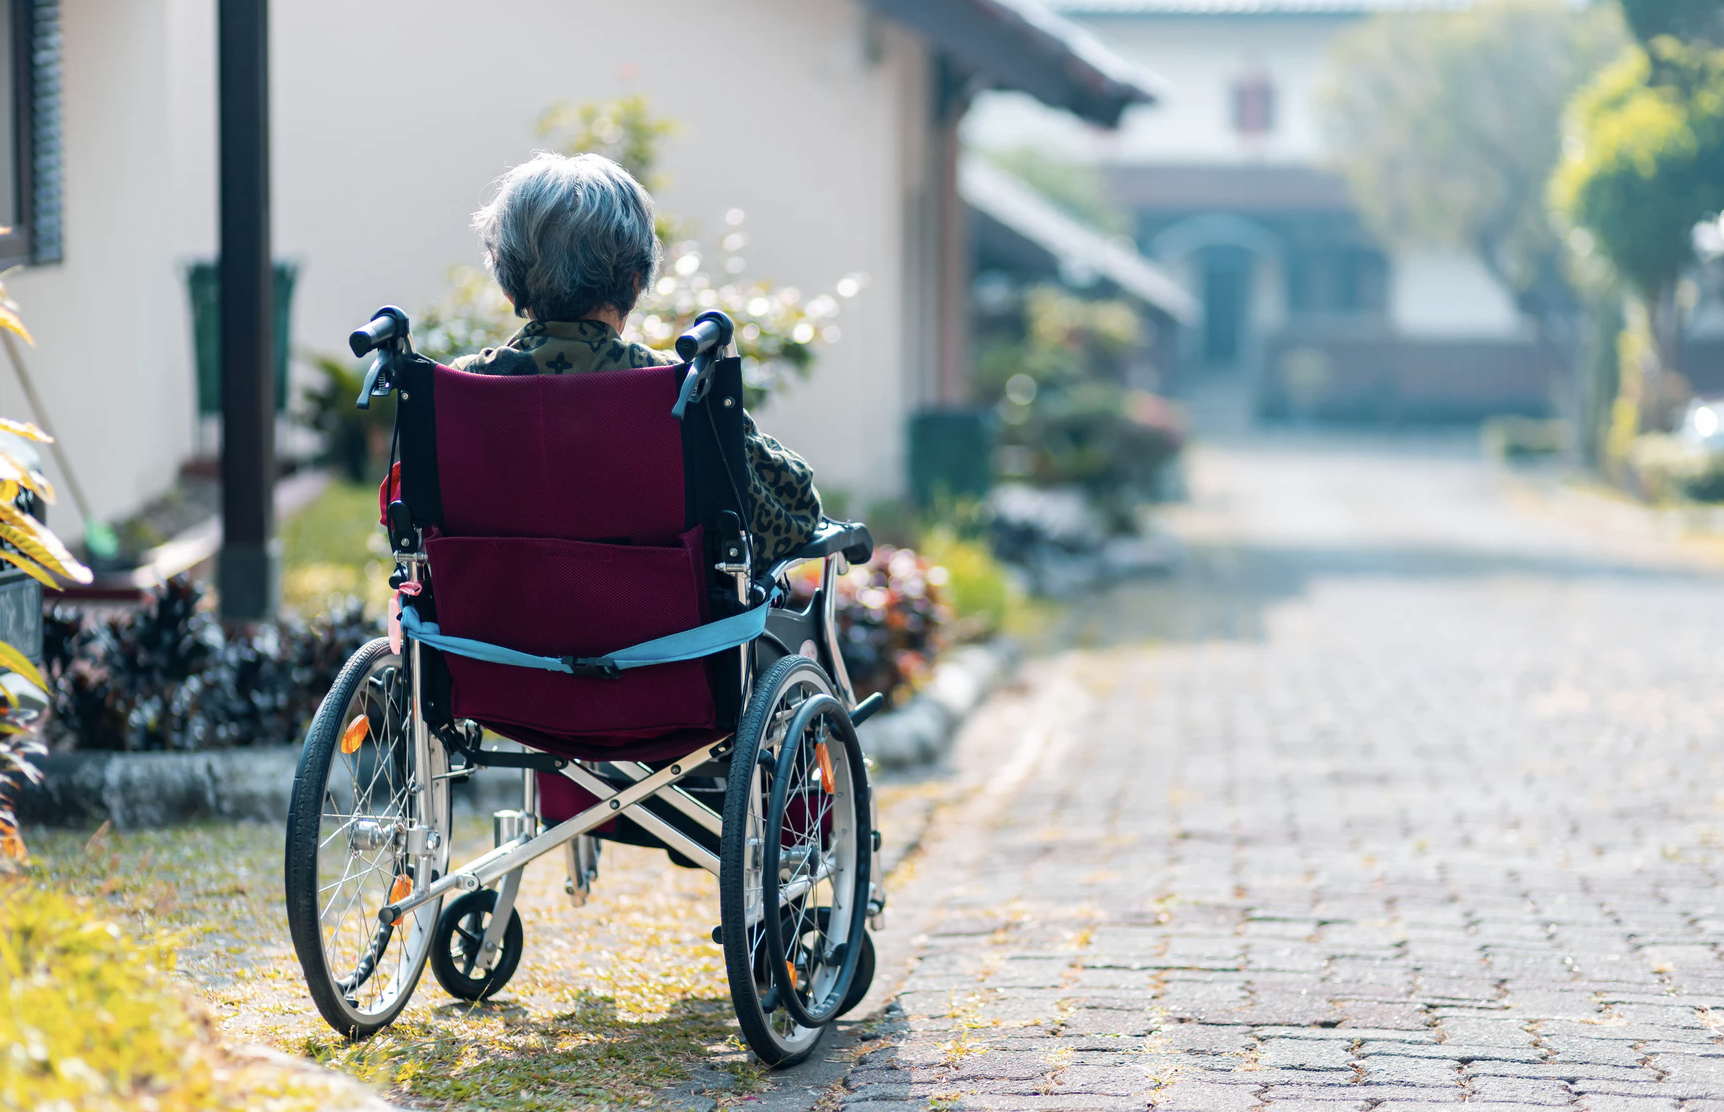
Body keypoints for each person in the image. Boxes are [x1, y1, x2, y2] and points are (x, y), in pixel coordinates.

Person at [455, 151, 821, 566]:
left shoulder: (459, 391)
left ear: (509, 287)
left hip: (494, 626)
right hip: (660, 627)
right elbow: (793, 513)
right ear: (634, 284)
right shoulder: (680, 387)